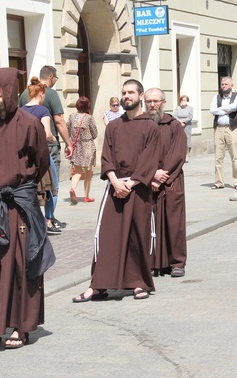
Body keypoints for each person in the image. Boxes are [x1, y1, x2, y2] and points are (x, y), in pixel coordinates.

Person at [0, 67, 55, 350]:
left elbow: (41, 162)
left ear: (10, 89)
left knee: (21, 265)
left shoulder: (29, 124)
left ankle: (20, 326)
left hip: (19, 204)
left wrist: (19, 188)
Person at [72, 79, 161, 302]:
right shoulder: (114, 126)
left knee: (137, 235)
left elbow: (149, 160)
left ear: (140, 96)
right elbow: (106, 157)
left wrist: (130, 184)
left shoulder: (150, 126)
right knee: (107, 236)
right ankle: (99, 284)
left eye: (131, 92)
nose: (126, 96)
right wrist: (114, 181)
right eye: (124, 92)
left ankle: (139, 283)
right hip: (115, 186)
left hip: (138, 189)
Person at [20, 66, 71, 230]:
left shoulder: (22, 96)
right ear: (51, 77)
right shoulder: (50, 96)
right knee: (51, 185)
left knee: (31, 185)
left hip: (26, 152)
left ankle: (32, 219)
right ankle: (49, 219)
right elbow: (59, 121)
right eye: (56, 78)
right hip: (46, 149)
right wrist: (67, 143)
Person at [145, 88, 187, 278]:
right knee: (151, 223)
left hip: (171, 180)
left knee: (173, 222)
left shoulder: (174, 125)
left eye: (156, 101)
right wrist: (151, 174)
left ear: (163, 102)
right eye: (149, 101)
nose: (152, 105)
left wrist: (163, 175)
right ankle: (155, 262)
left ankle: (176, 262)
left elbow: (178, 153)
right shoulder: (142, 125)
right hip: (148, 181)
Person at [209, 76, 237, 190]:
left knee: (235, 156)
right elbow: (212, 110)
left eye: (226, 84)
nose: (224, 86)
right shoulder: (217, 97)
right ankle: (219, 182)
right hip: (219, 128)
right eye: (222, 84)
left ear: (231, 86)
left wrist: (220, 110)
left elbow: (234, 107)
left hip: (232, 128)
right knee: (218, 157)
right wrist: (226, 110)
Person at [68, 96, 98, 204]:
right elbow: (94, 134)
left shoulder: (71, 116)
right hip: (87, 146)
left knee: (78, 171)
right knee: (89, 172)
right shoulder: (89, 118)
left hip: (76, 146)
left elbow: (68, 131)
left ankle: (73, 188)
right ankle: (86, 196)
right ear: (87, 106)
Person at [173, 95, 194, 162]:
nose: (183, 101)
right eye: (182, 100)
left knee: (187, 140)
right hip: (179, 125)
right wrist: (179, 121)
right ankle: (179, 155)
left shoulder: (190, 108)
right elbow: (174, 116)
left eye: (185, 100)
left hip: (187, 126)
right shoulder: (177, 108)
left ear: (187, 101)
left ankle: (186, 155)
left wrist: (183, 121)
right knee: (178, 140)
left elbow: (190, 117)